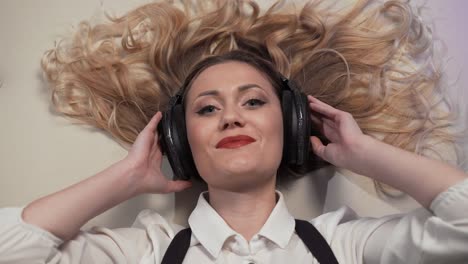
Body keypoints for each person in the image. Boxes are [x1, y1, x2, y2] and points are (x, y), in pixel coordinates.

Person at [1, 0, 467, 263]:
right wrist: (125, 179)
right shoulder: (141, 251)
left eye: (253, 101)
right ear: (181, 143)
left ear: (292, 125)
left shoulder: (349, 246)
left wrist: (364, 154)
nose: (231, 117)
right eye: (207, 109)